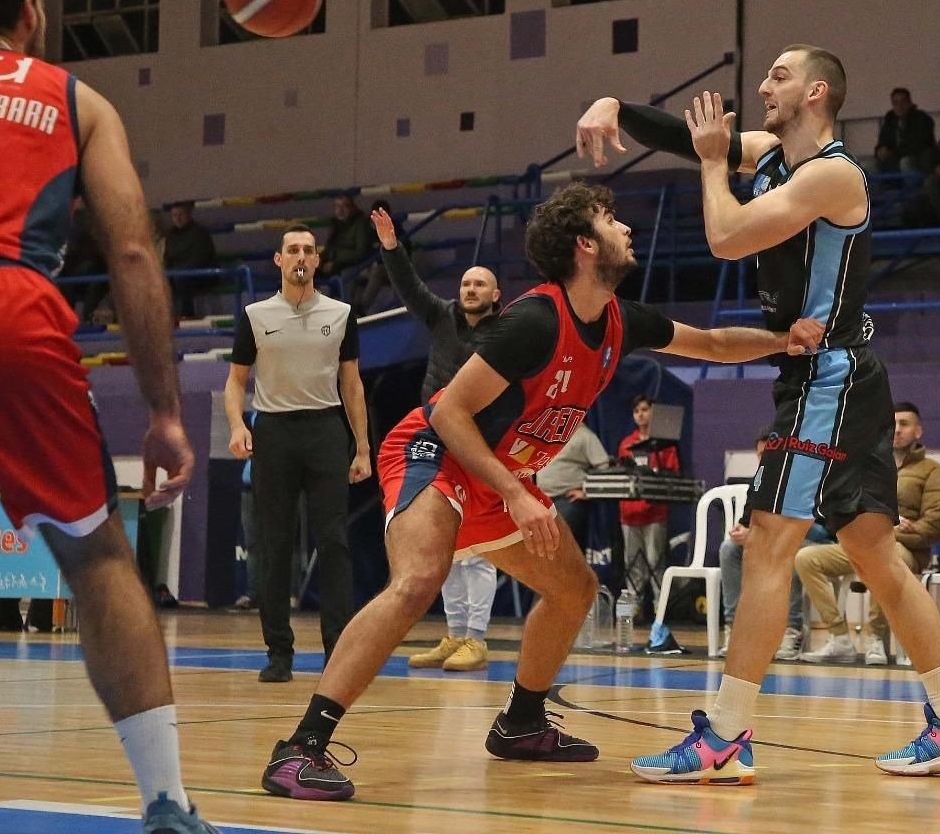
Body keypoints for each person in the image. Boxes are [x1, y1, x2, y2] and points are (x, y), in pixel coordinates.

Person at [258, 181, 824, 800]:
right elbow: (450, 415)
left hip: (499, 472)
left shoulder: (618, 319)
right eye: (610, 219)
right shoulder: (532, 319)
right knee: (419, 580)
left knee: (574, 589)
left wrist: (782, 342)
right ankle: (300, 748)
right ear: (585, 245)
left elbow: (712, 343)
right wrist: (519, 493)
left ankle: (522, 723)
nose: (626, 228)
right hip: (438, 452)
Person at [579, 44, 940, 782]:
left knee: (769, 544)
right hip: (840, 376)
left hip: (825, 379)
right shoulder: (772, 150)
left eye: (779, 74)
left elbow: (726, 236)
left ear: (817, 92)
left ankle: (725, 737)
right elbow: (690, 138)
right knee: (876, 554)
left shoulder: (833, 174)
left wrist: (712, 168)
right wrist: (617, 107)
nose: (764, 85)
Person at [0, 0, 211, 833]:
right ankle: (165, 801)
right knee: (95, 555)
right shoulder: (75, 98)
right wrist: (162, 411)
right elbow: (129, 250)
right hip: (11, 302)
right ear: (30, 14)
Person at [224, 225, 371, 683]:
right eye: (293, 250)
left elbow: (351, 383)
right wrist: (236, 425)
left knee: (333, 543)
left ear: (317, 260)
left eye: (308, 250)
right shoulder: (254, 314)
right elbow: (235, 381)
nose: (300, 256)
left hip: (326, 429)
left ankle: (338, 652)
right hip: (274, 432)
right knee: (275, 544)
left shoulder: (342, 313)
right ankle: (279, 654)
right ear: (279, 260)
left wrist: (362, 447)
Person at [370, 207, 508, 673]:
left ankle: (477, 639)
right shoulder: (441, 315)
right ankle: (453, 635)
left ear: (496, 294)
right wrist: (392, 247)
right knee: (442, 541)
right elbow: (409, 287)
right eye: (466, 283)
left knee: (479, 546)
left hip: (477, 442)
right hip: (433, 439)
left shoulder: (507, 333)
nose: (469, 289)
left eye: (479, 284)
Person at [794, 402, 940, 666]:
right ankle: (839, 637)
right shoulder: (869, 466)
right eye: (894, 424)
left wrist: (902, 530)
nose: (898, 430)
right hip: (862, 542)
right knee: (806, 558)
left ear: (918, 431)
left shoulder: (933, 472)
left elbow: (934, 524)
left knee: (887, 558)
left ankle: (874, 637)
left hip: (905, 548)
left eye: (905, 424)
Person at [718, 427, 833, 660]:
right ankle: (736, 627)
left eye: (770, 455)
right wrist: (740, 531)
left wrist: (770, 533)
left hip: (812, 542)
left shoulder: (809, 482)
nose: (765, 460)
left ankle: (791, 629)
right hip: (769, 543)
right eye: (761, 456)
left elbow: (825, 531)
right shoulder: (758, 484)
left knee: (793, 551)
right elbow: (746, 523)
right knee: (729, 549)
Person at [618, 393, 681, 620]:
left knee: (656, 563)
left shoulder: (666, 445)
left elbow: (672, 475)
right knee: (631, 563)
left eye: (645, 409)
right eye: (637, 411)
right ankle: (633, 610)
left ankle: (659, 607)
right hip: (629, 513)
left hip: (655, 513)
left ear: (653, 412)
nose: (641, 414)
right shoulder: (627, 444)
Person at [537, 422, 611, 551]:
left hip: (567, 500)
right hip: (543, 500)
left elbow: (604, 468)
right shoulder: (549, 434)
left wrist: (587, 492)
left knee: (562, 544)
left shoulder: (585, 436)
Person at [163, 200, 217, 320]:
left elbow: (200, 259)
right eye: (174, 215)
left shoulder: (199, 233)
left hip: (200, 274)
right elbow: (167, 258)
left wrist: (181, 271)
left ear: (189, 214)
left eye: (181, 215)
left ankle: (187, 314)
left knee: (181, 278)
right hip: (178, 273)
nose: (178, 218)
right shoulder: (171, 235)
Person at [873, 86, 936, 175]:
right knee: (869, 165)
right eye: (895, 103)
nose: (899, 106)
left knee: (905, 162)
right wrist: (879, 151)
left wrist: (893, 153)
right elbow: (882, 142)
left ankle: (912, 189)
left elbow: (919, 145)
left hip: (916, 159)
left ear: (910, 102)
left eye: (903, 102)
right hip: (893, 160)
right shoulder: (890, 119)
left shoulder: (922, 119)